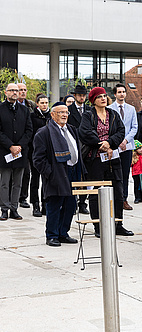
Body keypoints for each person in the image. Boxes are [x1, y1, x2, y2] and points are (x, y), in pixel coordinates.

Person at [78, 87, 134, 237]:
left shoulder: (113, 114)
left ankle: (118, 224)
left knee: (118, 190)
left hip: (112, 157)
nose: (103, 98)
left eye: (104, 96)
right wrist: (101, 144)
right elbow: (85, 132)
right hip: (95, 158)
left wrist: (109, 143)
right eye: (99, 97)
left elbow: (121, 131)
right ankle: (98, 226)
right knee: (97, 191)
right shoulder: (88, 115)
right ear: (93, 100)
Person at [33, 102, 85, 247]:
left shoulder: (72, 130)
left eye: (66, 112)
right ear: (53, 114)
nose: (64, 115)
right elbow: (38, 159)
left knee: (70, 205)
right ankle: (52, 235)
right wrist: (50, 173)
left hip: (73, 171)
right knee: (55, 205)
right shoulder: (44, 133)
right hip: (56, 173)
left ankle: (63, 233)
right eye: (61, 112)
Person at [0, 83, 33, 221]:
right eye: (12, 90)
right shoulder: (0, 109)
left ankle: (14, 208)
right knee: (4, 182)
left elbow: (29, 130)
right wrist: (10, 146)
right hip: (5, 152)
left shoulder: (24, 110)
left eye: (17, 90)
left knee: (18, 182)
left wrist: (19, 146)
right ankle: (4, 209)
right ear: (6, 92)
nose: (15, 92)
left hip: (20, 152)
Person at [108, 83, 138, 211]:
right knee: (113, 173)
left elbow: (134, 127)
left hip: (127, 146)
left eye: (123, 92)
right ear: (115, 94)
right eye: (119, 92)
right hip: (114, 146)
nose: (121, 94)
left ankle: (124, 198)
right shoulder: (109, 108)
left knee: (125, 173)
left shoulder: (131, 109)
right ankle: (114, 198)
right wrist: (118, 141)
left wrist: (125, 140)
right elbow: (109, 128)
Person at [68, 84, 91, 214]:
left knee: (86, 177)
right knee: (73, 175)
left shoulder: (89, 110)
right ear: (75, 96)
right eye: (79, 95)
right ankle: (72, 201)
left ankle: (83, 202)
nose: (82, 97)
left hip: (87, 147)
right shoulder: (69, 109)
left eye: (84, 95)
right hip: (74, 145)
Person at [29, 94, 51, 217]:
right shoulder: (32, 116)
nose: (44, 105)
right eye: (42, 103)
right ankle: (35, 204)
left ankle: (45, 203)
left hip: (47, 153)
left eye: (46, 103)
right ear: (37, 104)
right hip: (35, 152)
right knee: (35, 179)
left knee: (46, 179)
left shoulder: (50, 116)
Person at [16, 83, 36, 210]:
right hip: (10, 145)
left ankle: (23, 197)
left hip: (27, 144)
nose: (22, 92)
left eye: (24, 90)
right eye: (20, 90)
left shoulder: (31, 105)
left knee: (26, 173)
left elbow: (31, 126)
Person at [131, 140, 142, 204]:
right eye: (139, 148)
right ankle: (137, 197)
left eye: (141, 148)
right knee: (136, 186)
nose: (141, 149)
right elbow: (131, 164)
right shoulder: (134, 157)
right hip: (136, 173)